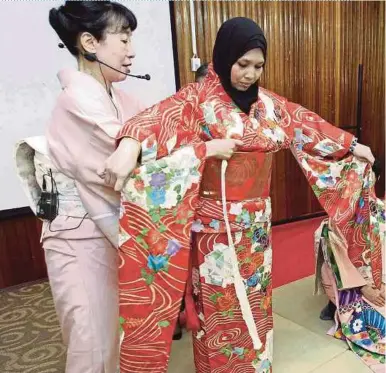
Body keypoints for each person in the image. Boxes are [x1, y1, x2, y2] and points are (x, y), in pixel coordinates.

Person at [101, 17, 377, 372]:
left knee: (256, 301)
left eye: (258, 66)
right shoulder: (197, 97)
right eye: (242, 64)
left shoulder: (268, 104)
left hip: (257, 229)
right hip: (214, 232)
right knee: (219, 307)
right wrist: (128, 146)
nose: (249, 74)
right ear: (224, 56)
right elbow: (155, 120)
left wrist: (352, 145)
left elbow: (306, 123)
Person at [15, 1, 142, 372]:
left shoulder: (118, 96)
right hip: (77, 237)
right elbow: (129, 155)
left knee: (112, 337)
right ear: (89, 42)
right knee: (90, 344)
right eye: (123, 38)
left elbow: (153, 126)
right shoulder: (77, 99)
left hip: (103, 232)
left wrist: (136, 140)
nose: (131, 50)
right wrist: (134, 144)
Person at [315, 161, 385, 371]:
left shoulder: (380, 210)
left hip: (378, 279)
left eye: (368, 177)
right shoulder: (337, 219)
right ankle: (335, 304)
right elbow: (337, 261)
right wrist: (364, 287)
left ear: (376, 179)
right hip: (350, 283)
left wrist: (382, 281)